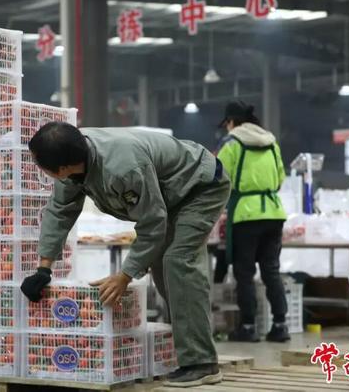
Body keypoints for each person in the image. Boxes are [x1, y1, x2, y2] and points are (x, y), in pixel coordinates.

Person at [19, 122, 231, 388]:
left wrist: (125, 275)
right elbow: (60, 210)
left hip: (199, 186)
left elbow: (152, 224)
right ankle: (189, 348)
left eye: (39, 164)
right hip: (169, 196)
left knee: (178, 261)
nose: (39, 168)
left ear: (61, 168)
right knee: (161, 267)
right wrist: (44, 268)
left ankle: (202, 363)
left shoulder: (122, 168)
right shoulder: (74, 159)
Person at [216, 101, 289, 343]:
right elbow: (280, 179)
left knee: (244, 273)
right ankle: (280, 325)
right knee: (271, 270)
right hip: (274, 213)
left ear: (231, 122)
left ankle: (248, 327)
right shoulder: (271, 143)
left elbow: (217, 177)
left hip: (245, 216)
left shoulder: (232, 143)